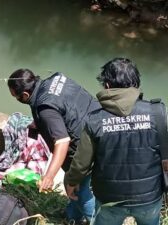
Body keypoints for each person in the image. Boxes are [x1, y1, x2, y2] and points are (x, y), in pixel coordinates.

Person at [65, 58, 167, 225]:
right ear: (136, 84)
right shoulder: (159, 112)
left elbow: (81, 163)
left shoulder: (95, 120)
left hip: (109, 198)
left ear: (106, 86)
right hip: (149, 196)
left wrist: (71, 181)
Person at [7, 69, 100, 223]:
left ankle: (95, 220)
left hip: (86, 149)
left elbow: (62, 142)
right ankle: (72, 217)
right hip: (96, 126)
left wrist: (49, 177)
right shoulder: (56, 79)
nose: (17, 99)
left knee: (82, 191)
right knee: (73, 188)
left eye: (16, 97)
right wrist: (41, 123)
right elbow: (65, 107)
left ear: (25, 95)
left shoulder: (45, 108)